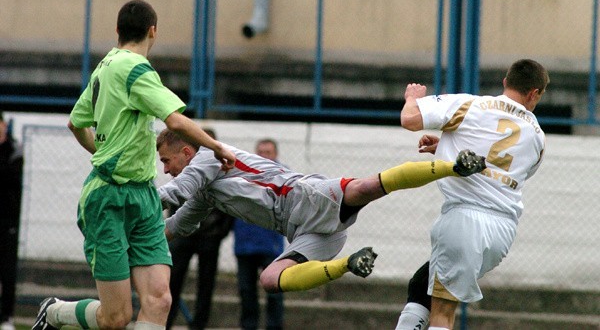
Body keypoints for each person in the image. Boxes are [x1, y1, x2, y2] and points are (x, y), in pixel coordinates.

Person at [33, 0, 236, 330]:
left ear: (117, 30)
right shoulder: (136, 69)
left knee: (160, 300)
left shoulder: (104, 67)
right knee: (116, 319)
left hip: (144, 197)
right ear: (153, 31)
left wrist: (101, 151)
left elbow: (76, 123)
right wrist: (216, 147)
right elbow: (175, 120)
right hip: (109, 200)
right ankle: (54, 311)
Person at [156, 129, 486, 297]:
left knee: (364, 188)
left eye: (166, 161)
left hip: (302, 197)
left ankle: (454, 166)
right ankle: (349, 264)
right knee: (270, 280)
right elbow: (177, 225)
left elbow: (173, 194)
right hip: (302, 232)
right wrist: (129, 241)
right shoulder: (202, 191)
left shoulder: (208, 158)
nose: (166, 169)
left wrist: (128, 199)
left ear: (186, 151)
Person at [395, 58, 549, 330]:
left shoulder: (471, 105)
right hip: (502, 232)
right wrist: (447, 146)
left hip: (464, 222)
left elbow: (409, 120)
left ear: (505, 82)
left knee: (442, 313)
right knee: (421, 285)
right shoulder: (538, 136)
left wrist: (411, 98)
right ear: (535, 93)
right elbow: (500, 164)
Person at [163, 128, 234, 330]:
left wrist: (220, 232)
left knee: (206, 285)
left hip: (209, 236)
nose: (166, 169)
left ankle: (199, 325)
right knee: (173, 281)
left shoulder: (218, 166)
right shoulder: (186, 168)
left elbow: (228, 208)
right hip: (184, 236)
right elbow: (176, 197)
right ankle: (166, 322)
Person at [233, 138, 286, 330]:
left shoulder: (284, 177)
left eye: (268, 152)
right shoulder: (242, 174)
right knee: (246, 292)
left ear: (275, 154)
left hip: (272, 246)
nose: (264, 155)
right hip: (244, 245)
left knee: (275, 292)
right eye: (261, 152)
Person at [0, 112, 24, 330]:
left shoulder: (15, 152)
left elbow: (10, 179)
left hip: (8, 222)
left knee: (7, 272)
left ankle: (6, 317)